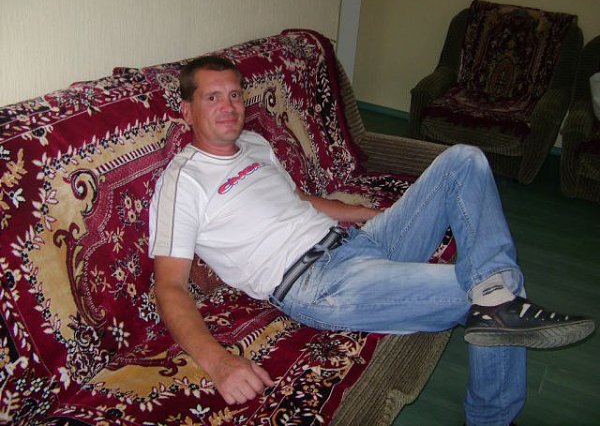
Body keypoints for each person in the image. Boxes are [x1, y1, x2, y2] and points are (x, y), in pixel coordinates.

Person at [148, 56, 595, 426]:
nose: (229, 106)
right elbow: (169, 286)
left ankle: (495, 292)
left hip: (356, 242)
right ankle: (492, 413)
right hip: (317, 284)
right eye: (212, 97)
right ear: (187, 111)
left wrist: (369, 215)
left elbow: (298, 200)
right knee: (493, 292)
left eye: (234, 95)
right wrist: (219, 362)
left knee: (464, 160)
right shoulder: (183, 182)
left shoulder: (255, 145)